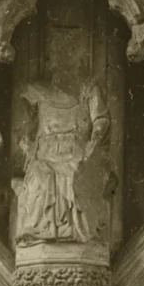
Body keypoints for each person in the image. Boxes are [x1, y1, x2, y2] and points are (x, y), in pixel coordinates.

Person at [14, 54, 109, 246]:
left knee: (77, 175)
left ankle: (75, 232)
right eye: (57, 63)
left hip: (76, 153)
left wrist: (94, 140)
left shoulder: (88, 90)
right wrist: (26, 144)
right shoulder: (35, 91)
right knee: (39, 177)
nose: (62, 69)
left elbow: (100, 119)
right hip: (44, 155)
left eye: (69, 62)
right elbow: (25, 127)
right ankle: (38, 232)